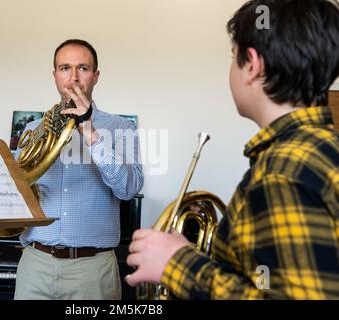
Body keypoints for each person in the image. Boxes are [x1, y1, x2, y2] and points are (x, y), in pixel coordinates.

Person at [126, 0, 339, 299]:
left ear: (252, 65)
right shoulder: (323, 147)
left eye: (233, 56)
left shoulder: (284, 171)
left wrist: (178, 263)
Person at [14, 39, 144, 300]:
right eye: (65, 68)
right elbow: (18, 192)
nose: (73, 78)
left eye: (82, 68)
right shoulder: (32, 130)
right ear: (54, 76)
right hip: (35, 264)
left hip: (92, 270)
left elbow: (129, 189)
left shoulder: (120, 128)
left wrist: (89, 131)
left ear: (96, 77)